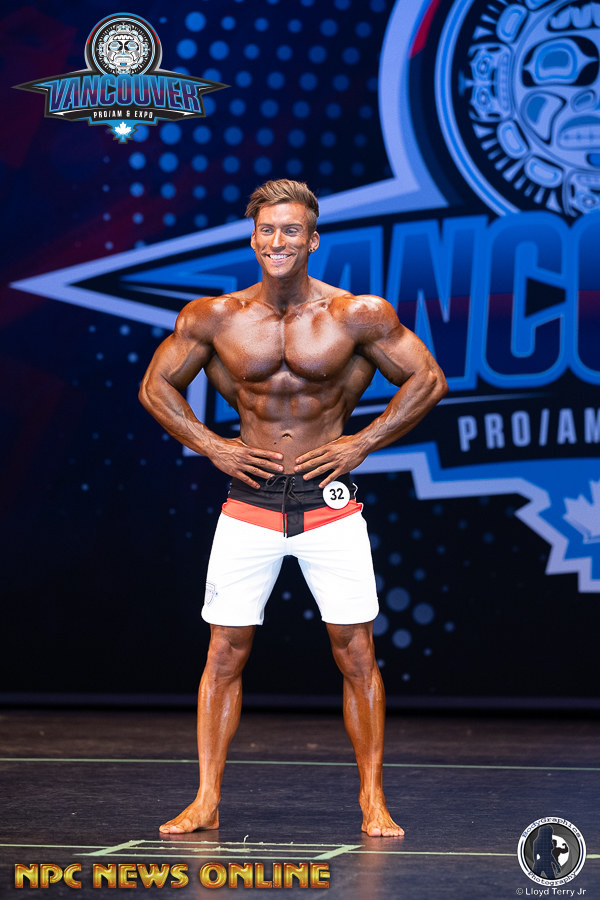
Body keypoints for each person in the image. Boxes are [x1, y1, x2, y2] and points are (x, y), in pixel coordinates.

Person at [139, 179, 447, 838]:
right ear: (254, 238)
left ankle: (372, 800)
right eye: (267, 230)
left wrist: (362, 442)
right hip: (249, 503)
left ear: (312, 240)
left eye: (291, 230)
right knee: (224, 653)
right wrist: (211, 445)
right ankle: (206, 799)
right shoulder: (215, 317)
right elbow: (155, 385)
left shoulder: (356, 315)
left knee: (356, 652)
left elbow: (427, 379)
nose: (278, 241)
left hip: (328, 503)